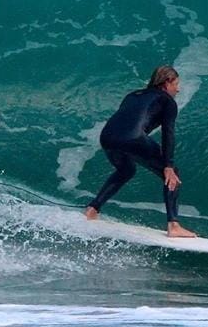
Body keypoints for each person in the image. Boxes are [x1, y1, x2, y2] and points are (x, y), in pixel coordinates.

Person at [84, 65, 196, 238]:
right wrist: (168, 165)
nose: (178, 89)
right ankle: (173, 225)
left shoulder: (132, 95)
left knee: (126, 170)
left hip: (107, 136)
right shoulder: (167, 101)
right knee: (173, 174)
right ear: (167, 83)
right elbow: (168, 133)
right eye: (176, 84)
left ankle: (92, 209)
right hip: (133, 138)